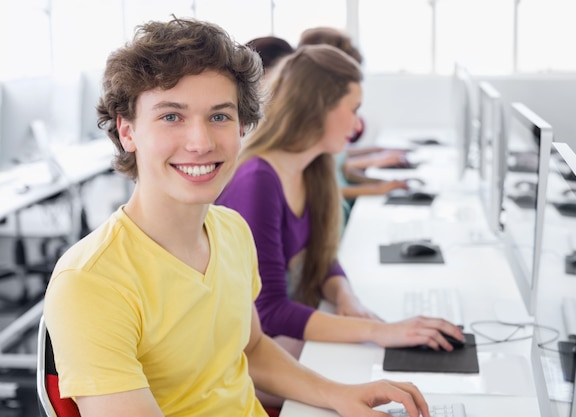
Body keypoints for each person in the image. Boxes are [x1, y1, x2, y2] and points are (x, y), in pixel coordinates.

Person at [43, 17, 433, 417]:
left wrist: (340, 394)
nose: (201, 142)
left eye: (219, 116)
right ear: (127, 131)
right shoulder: (91, 282)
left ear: (242, 126)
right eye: (171, 116)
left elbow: (253, 350)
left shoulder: (230, 231)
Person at [215, 45, 464, 356]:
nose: (358, 126)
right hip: (244, 359)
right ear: (317, 108)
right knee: (373, 361)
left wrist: (347, 297)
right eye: (354, 109)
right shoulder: (257, 180)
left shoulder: (312, 169)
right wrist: (380, 331)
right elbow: (269, 312)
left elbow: (321, 256)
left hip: (278, 342)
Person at [297, 27, 417, 222]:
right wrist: (376, 175)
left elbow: (339, 165)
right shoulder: (302, 125)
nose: (356, 126)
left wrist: (381, 176)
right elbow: (321, 184)